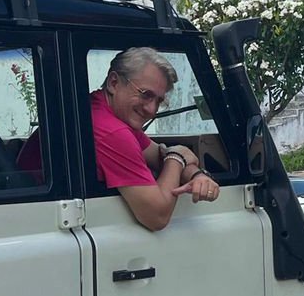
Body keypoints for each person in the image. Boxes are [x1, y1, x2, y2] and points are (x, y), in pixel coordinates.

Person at [17, 47, 220, 230]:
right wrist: (178, 156)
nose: (152, 110)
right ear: (114, 83)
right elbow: (157, 217)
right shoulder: (111, 132)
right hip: (49, 220)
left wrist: (197, 176)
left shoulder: (102, 110)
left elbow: (159, 156)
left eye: (159, 101)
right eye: (145, 95)